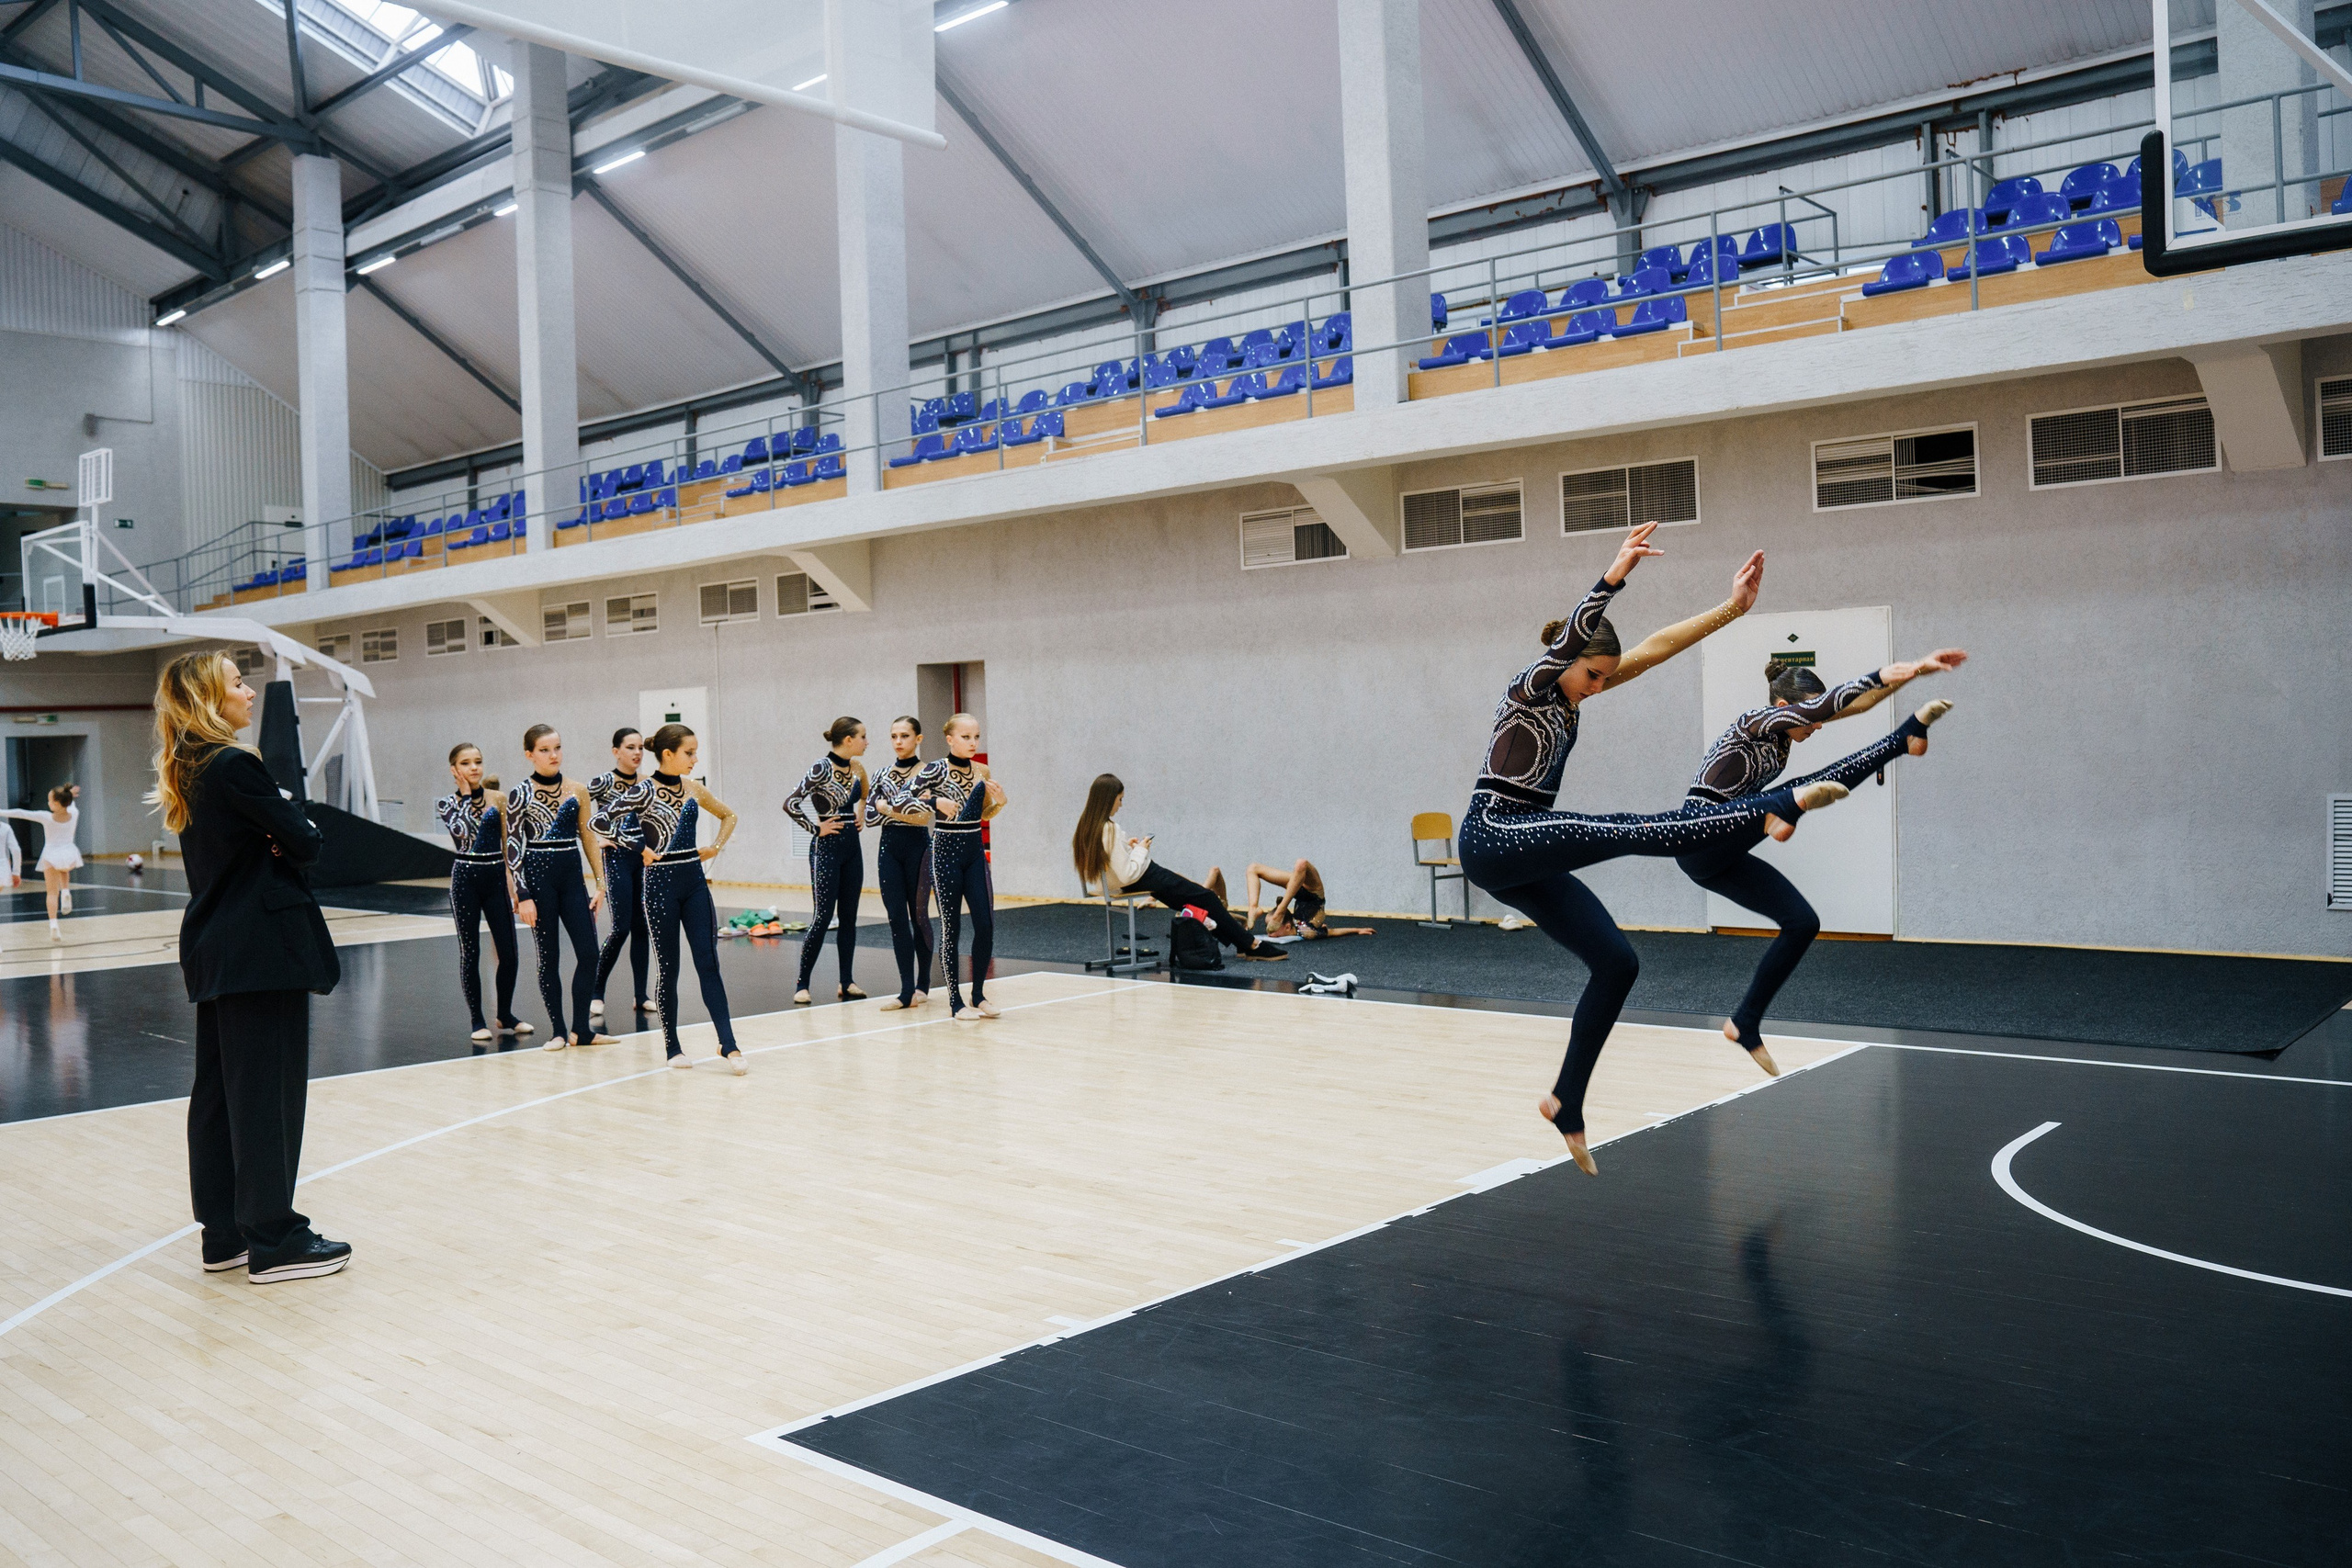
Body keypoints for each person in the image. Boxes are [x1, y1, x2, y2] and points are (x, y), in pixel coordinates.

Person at [1457, 523, 1853, 1176]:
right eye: (1592, 674)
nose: (1598, 686)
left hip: (1527, 852)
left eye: (1606, 678)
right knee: (1624, 828)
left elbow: (1659, 647)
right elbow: (1568, 642)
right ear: (1568, 660)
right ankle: (1770, 810)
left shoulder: (1583, 689)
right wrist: (1614, 576)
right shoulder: (1531, 686)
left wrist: (1731, 609)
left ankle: (1567, 1102)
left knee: (1617, 962)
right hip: (1493, 836)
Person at [151, 649, 350, 1283]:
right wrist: (287, 821)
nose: (249, 691)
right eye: (238, 683)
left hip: (218, 945)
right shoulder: (235, 764)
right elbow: (307, 839)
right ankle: (274, 1237)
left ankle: (225, 1232)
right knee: (266, 1093)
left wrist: (281, 824)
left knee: (220, 1093)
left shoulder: (190, 765)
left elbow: (282, 833)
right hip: (261, 946)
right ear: (212, 697)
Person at [1679, 649, 1964, 1074]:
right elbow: (1824, 706)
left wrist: (1914, 671)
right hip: (1698, 833)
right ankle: (1796, 803)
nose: (1816, 727)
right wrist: (1881, 672)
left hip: (1726, 848)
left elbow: (1851, 704)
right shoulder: (1753, 722)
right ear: (1783, 709)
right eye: (1808, 719)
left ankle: (1746, 1021)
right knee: (1802, 788)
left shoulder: (1787, 734)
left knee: (1801, 923)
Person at [1070, 776, 1289, 960]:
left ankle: (1244, 942)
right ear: (1109, 799)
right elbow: (1128, 873)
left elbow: (1111, 861)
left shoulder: (1088, 826)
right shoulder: (1110, 828)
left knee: (1197, 900)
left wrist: (1127, 848)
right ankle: (1251, 945)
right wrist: (1142, 849)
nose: (1120, 805)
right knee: (1207, 898)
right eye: (1120, 799)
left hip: (1118, 883)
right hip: (1142, 877)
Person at [638, 723, 745, 1071]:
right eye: (689, 753)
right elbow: (604, 824)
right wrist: (638, 847)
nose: (695, 759)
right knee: (668, 968)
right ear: (668, 754)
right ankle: (673, 1047)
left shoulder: (694, 789)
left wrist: (715, 847)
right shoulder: (642, 791)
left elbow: (729, 815)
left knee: (708, 962)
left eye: (696, 752)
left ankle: (728, 1044)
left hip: (694, 883)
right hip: (659, 885)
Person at [508, 725, 609, 1051]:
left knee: (589, 953)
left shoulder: (577, 790)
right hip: (539, 883)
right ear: (529, 754)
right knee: (548, 957)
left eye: (557, 748)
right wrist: (523, 895)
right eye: (544, 750)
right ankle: (558, 1031)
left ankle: (583, 1030)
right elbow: (513, 848)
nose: (553, 755)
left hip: (571, 881)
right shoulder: (519, 793)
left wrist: (600, 882)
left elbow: (588, 837)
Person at [913, 714, 1006, 1020]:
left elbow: (984, 813)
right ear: (950, 739)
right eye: (966, 737)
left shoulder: (982, 770)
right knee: (951, 927)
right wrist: (934, 803)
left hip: (974, 851)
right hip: (945, 852)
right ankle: (955, 1002)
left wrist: (999, 802)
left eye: (976, 737)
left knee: (986, 925)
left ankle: (978, 995)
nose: (973, 743)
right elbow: (904, 799)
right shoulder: (934, 770)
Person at [433, 744, 528, 1043]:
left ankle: (505, 1013)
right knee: (470, 952)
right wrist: (464, 796)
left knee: (509, 954)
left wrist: (515, 887)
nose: (474, 767)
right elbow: (465, 835)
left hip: (495, 880)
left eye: (478, 761)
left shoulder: (498, 799)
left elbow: (509, 844)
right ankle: (477, 1019)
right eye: (466, 763)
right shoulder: (447, 804)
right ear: (454, 770)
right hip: (466, 882)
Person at [785, 716, 870, 1005]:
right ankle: (802, 983)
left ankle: (846, 981)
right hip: (827, 847)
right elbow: (791, 802)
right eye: (863, 737)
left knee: (849, 918)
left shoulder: (856, 767)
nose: (866, 742)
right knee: (822, 917)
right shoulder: (821, 767)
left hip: (852, 847)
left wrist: (861, 813)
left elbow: (866, 794)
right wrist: (816, 828)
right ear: (848, 740)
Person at [867, 715, 935, 1011]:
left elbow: (923, 817)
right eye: (894, 736)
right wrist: (894, 809)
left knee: (919, 916)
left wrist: (887, 807)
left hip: (918, 848)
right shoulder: (882, 773)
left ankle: (923, 983)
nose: (898, 742)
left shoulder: (929, 773)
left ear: (918, 739)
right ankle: (906, 989)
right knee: (896, 917)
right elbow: (870, 817)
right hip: (890, 848)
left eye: (905, 736)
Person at [588, 728, 654, 1027]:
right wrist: (598, 836)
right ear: (616, 751)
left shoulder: (646, 783)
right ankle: (597, 990)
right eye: (630, 747)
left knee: (642, 927)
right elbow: (573, 809)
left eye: (640, 747)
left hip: (643, 859)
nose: (637, 752)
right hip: (616, 860)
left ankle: (640, 995)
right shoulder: (603, 782)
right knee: (621, 927)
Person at [4, 783, 83, 941]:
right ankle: (66, 892)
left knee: (52, 892)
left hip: (51, 855)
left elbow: (21, 813)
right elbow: (70, 804)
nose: (48, 803)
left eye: (50, 801)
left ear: (56, 803)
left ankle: (53, 924)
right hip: (69, 853)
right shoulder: (74, 813)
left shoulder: (46, 817)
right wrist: (71, 796)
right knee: (64, 869)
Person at [1243, 859, 1374, 941]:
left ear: (1287, 926)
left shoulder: (1303, 929)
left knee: (1301, 863)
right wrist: (1357, 930)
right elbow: (1332, 932)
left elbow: (1330, 931)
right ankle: (1253, 907)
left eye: (1271, 927)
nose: (1268, 931)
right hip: (1311, 893)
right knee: (1253, 868)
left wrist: (1356, 930)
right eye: (1270, 927)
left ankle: (1276, 908)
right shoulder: (1306, 931)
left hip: (1305, 892)